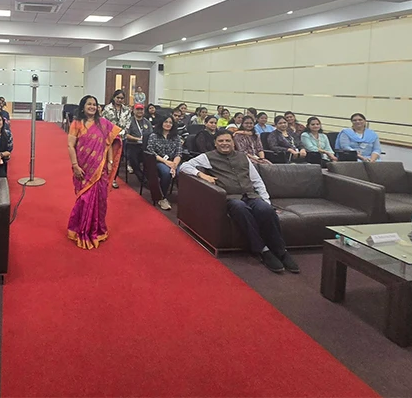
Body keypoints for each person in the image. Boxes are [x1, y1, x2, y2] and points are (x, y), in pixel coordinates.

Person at [180, 130, 300, 274]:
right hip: (231, 198)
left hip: (251, 195)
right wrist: (201, 174)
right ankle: (263, 250)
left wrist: (266, 200)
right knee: (241, 208)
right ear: (215, 143)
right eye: (221, 141)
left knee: (266, 210)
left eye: (228, 141)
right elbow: (184, 166)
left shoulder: (243, 157)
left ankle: (280, 250)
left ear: (233, 142)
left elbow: (257, 180)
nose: (224, 143)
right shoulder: (207, 157)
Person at [66, 95, 122, 250]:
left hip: (100, 168)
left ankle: (98, 230)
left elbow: (109, 143)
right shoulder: (77, 123)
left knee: (100, 200)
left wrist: (110, 162)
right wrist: (75, 166)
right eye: (89, 104)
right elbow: (70, 146)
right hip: (83, 168)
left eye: (94, 104)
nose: (92, 107)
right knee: (84, 200)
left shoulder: (103, 123)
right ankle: (80, 229)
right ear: (83, 106)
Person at [146, 114, 183, 210]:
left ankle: (183, 197)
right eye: (166, 122)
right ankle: (162, 197)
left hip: (173, 161)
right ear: (161, 123)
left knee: (182, 172)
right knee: (166, 173)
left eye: (170, 122)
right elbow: (151, 151)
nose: (168, 124)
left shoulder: (176, 137)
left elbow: (179, 153)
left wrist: (174, 165)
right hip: (158, 161)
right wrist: (166, 162)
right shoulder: (154, 136)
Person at [102, 90, 131, 189]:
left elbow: (128, 124)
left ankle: (113, 178)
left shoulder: (127, 110)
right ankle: (104, 177)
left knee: (117, 159)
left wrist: (120, 134)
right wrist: (112, 134)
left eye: (122, 98)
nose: (119, 100)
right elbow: (103, 123)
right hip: (109, 138)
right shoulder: (107, 108)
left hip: (121, 139)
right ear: (114, 98)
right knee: (107, 158)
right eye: (118, 97)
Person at [125, 103, 152, 178]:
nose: (140, 111)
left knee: (150, 159)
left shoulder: (147, 122)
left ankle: (146, 177)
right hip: (132, 145)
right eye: (137, 109)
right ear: (133, 111)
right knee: (134, 161)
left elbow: (151, 134)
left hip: (145, 146)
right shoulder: (129, 121)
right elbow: (126, 135)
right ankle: (142, 178)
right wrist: (137, 139)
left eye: (141, 109)